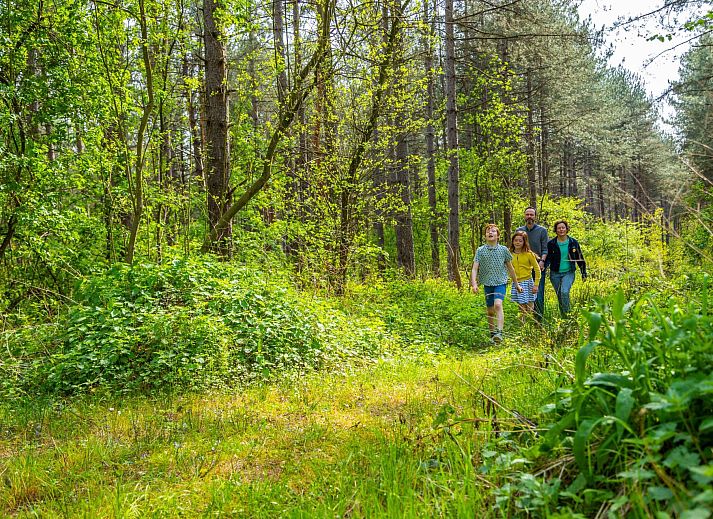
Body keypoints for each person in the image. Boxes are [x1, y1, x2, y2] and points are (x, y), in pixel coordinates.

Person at [471, 224, 522, 343]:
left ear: (498, 236)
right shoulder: (480, 250)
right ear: (485, 236)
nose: (490, 233)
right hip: (487, 283)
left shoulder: (503, 250)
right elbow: (474, 268)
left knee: (498, 305)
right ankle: (492, 333)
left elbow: (510, 268)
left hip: (500, 282)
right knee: (490, 310)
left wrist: (517, 284)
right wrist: (474, 284)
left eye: (493, 231)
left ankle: (499, 332)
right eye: (488, 231)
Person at [544, 220, 587, 316]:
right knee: (560, 296)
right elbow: (548, 258)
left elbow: (579, 258)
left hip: (568, 272)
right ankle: (564, 318)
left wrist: (583, 272)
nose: (561, 229)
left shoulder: (573, 242)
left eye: (563, 227)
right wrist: (543, 267)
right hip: (555, 274)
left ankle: (569, 316)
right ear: (556, 230)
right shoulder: (551, 243)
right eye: (559, 228)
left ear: (567, 229)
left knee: (564, 292)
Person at [516, 207, 548, 322]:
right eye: (527, 214)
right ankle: (524, 322)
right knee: (523, 295)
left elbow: (545, 249)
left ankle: (538, 321)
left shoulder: (542, 230)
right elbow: (517, 248)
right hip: (524, 268)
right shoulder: (519, 230)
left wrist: (542, 261)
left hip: (538, 266)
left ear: (535, 216)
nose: (529, 216)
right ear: (524, 216)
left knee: (538, 292)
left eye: (531, 214)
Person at [509, 231, 541, 322]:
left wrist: (536, 284)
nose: (517, 242)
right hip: (517, 282)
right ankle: (522, 326)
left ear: (524, 242)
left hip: (528, 282)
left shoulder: (529, 254)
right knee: (521, 307)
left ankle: (530, 324)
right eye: (515, 240)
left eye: (520, 241)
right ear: (513, 241)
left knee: (530, 306)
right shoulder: (510, 254)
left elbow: (537, 269)